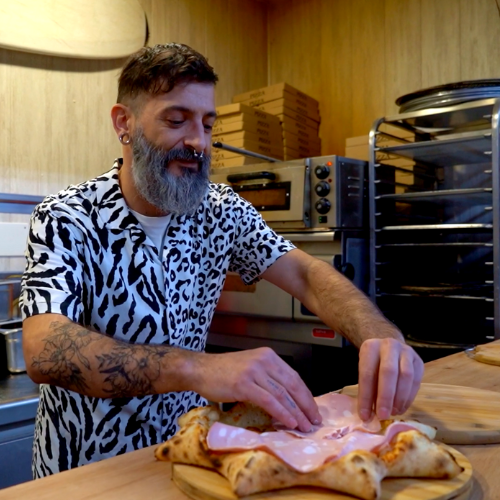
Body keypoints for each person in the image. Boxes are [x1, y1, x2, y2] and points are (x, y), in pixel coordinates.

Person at [20, 43, 423, 478]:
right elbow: (44, 349)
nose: (198, 142)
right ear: (125, 123)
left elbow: (306, 275)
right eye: (176, 121)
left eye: (207, 125)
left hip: (189, 456)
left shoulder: (221, 211)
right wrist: (197, 368)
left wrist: (379, 335)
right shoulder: (67, 215)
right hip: (87, 472)